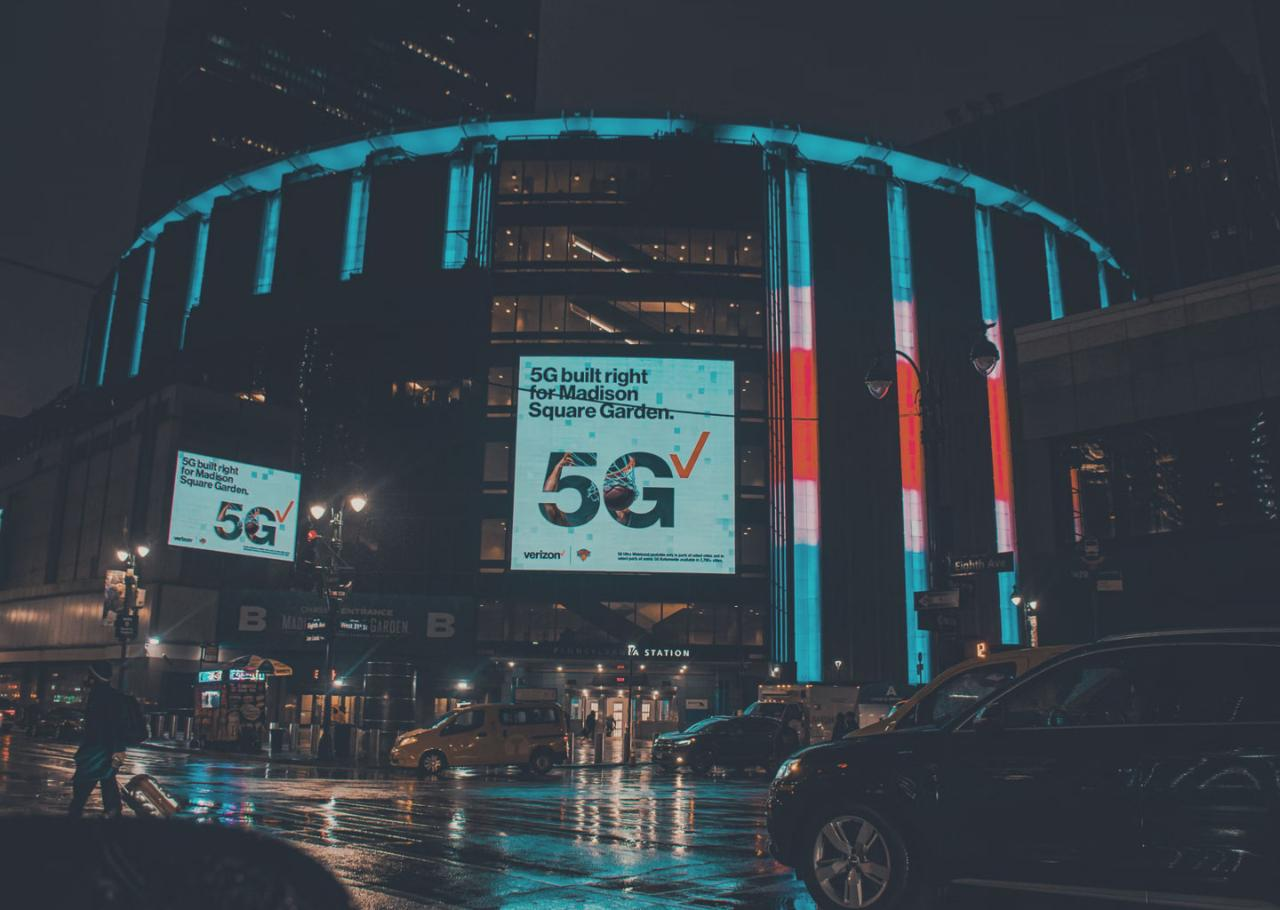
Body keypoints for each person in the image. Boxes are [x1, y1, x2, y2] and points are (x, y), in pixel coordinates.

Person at [67, 661, 126, 819]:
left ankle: (76, 813)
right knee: (106, 779)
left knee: (84, 782)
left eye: (90, 675)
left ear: (95, 677)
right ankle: (112, 811)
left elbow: (110, 725)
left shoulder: (101, 696)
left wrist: (117, 749)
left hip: (97, 749)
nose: (87, 678)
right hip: (103, 748)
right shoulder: (107, 695)